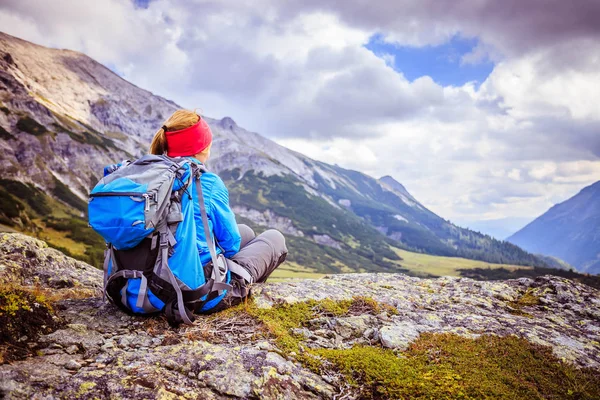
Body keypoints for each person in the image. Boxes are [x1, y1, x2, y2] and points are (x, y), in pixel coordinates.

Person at [149, 109, 288, 311]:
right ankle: (245, 299)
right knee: (274, 238)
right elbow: (231, 245)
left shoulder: (151, 175)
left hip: (142, 286)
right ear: (203, 148)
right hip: (191, 292)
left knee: (246, 232)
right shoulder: (206, 182)